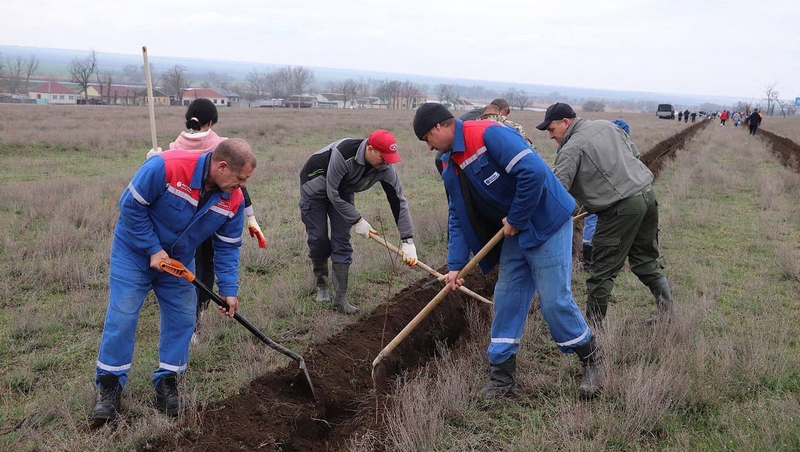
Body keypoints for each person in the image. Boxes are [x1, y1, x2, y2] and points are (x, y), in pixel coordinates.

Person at [413, 103, 602, 400]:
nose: (428, 147)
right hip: (515, 229)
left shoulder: (488, 134)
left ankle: (591, 359)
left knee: (554, 302)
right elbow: (458, 215)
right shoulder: (448, 164)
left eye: (427, 139)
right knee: (507, 300)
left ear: (438, 127)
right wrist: (456, 265)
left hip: (546, 220)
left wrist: (516, 218)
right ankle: (502, 379)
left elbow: (534, 173)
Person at [91, 138, 257, 422]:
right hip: (134, 252)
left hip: (178, 261)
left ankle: (167, 383)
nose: (242, 186)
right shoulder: (166, 166)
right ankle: (110, 388)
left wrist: (229, 289)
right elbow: (130, 207)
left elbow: (228, 247)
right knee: (123, 314)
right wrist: (154, 249)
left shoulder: (234, 200)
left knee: (182, 317)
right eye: (240, 179)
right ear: (222, 166)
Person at [537, 102, 673, 328]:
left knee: (602, 271)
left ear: (566, 122)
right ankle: (668, 312)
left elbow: (556, 192)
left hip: (621, 209)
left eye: (551, 130)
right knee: (645, 260)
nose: (550, 136)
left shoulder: (571, 149)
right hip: (647, 196)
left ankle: (593, 330)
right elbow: (634, 155)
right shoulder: (608, 126)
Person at [147, 98, 267, 340]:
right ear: (211, 121)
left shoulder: (174, 146)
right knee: (205, 263)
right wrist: (251, 216)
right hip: (213, 215)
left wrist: (152, 159)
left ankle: (183, 315)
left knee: (185, 266)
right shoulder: (221, 145)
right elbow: (236, 189)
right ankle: (196, 316)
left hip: (180, 221)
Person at [299, 129, 417, 314]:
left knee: (341, 240)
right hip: (316, 190)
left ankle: (340, 299)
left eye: (389, 157)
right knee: (319, 239)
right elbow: (333, 193)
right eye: (383, 156)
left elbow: (398, 201)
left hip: (342, 191)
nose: (386, 162)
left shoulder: (384, 168)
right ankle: (322, 284)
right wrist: (358, 220)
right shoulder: (344, 153)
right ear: (370, 149)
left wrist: (407, 240)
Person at [581, 119, 632, 272]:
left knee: (594, 222)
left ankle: (591, 260)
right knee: (597, 222)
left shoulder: (599, 141)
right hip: (603, 193)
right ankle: (594, 260)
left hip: (595, 191)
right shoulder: (617, 147)